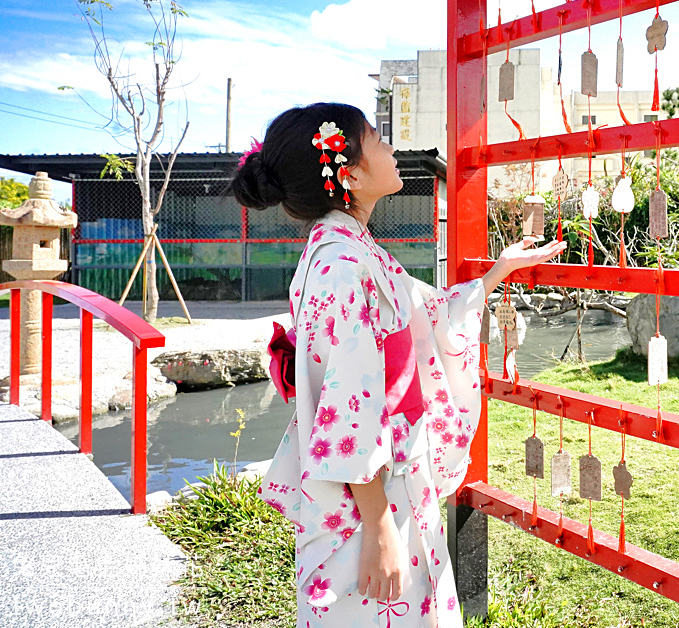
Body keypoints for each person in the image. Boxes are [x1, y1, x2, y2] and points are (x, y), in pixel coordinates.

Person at [229, 102, 564, 627]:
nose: (391, 148)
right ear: (352, 173)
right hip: (369, 500)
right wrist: (380, 527)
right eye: (377, 140)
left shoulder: (350, 250)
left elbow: (425, 312)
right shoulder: (340, 264)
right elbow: (347, 406)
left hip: (394, 477)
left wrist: (498, 271)